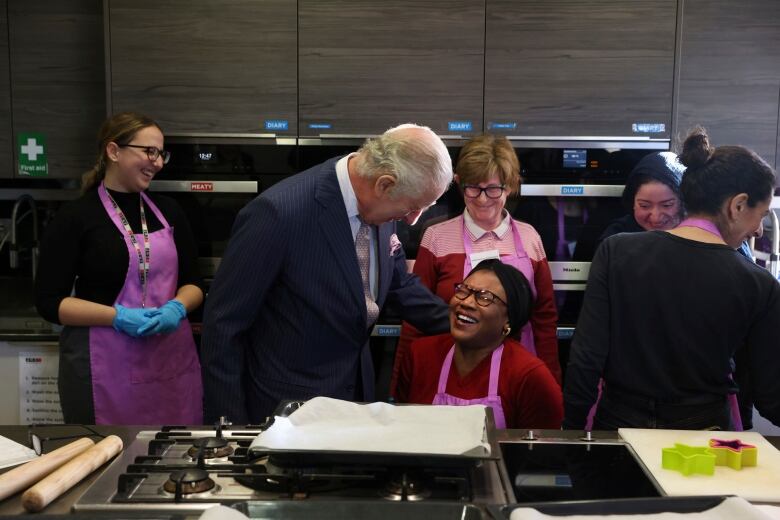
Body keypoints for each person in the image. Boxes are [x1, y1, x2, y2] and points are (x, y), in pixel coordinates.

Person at [201, 123, 453, 424]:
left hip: (356, 398)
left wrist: (461, 323)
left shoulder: (382, 204)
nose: (414, 220)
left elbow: (397, 284)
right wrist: (229, 429)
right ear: (384, 184)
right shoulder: (279, 213)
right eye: (414, 207)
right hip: (287, 412)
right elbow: (224, 327)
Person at [563, 127, 780, 430]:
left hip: (620, 426)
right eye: (761, 214)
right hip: (705, 436)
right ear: (738, 205)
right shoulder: (758, 283)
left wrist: (572, 432)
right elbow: (771, 396)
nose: (758, 230)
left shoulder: (616, 252)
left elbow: (586, 359)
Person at [34, 112, 203, 425]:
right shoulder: (76, 217)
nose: (158, 162)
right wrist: (119, 317)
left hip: (169, 364)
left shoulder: (170, 211)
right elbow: (49, 302)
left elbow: (194, 283)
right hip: (103, 366)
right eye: (148, 151)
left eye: (161, 153)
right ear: (114, 151)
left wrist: (178, 308)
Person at [392, 134, 560, 399]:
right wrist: (399, 389)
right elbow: (415, 319)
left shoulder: (530, 238)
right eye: (473, 188)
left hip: (519, 378)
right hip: (452, 373)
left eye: (493, 189)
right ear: (459, 184)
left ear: (510, 186)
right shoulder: (437, 237)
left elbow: (544, 320)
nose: (483, 199)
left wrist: (551, 384)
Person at [396, 259, 563, 429]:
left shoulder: (529, 376)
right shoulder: (420, 355)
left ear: (509, 319)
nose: (466, 302)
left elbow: (542, 452)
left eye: (484, 297)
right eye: (463, 290)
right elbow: (401, 431)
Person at [598, 151, 686, 242]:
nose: (656, 218)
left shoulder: (695, 236)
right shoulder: (614, 240)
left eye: (667, 205)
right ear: (632, 203)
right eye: (644, 206)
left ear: (683, 202)